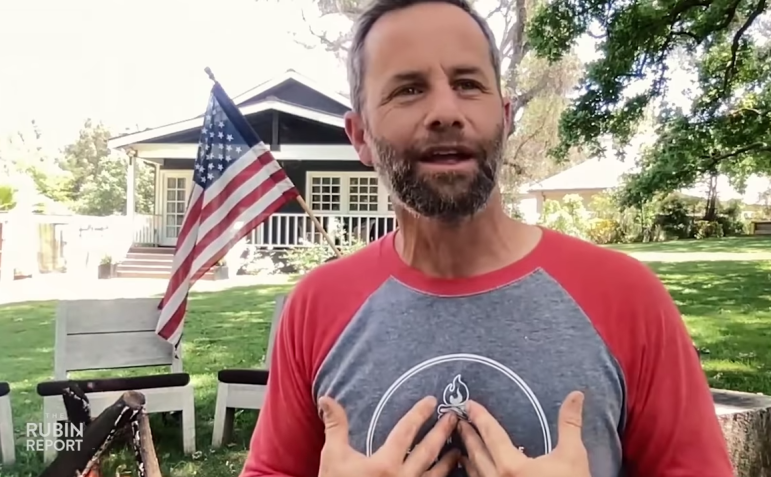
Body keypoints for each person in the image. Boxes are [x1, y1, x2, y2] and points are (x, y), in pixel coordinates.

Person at [240, 0, 734, 475]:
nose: (446, 112)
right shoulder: (317, 306)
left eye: (467, 84)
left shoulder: (626, 296)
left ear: (505, 114)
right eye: (409, 89)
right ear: (360, 136)